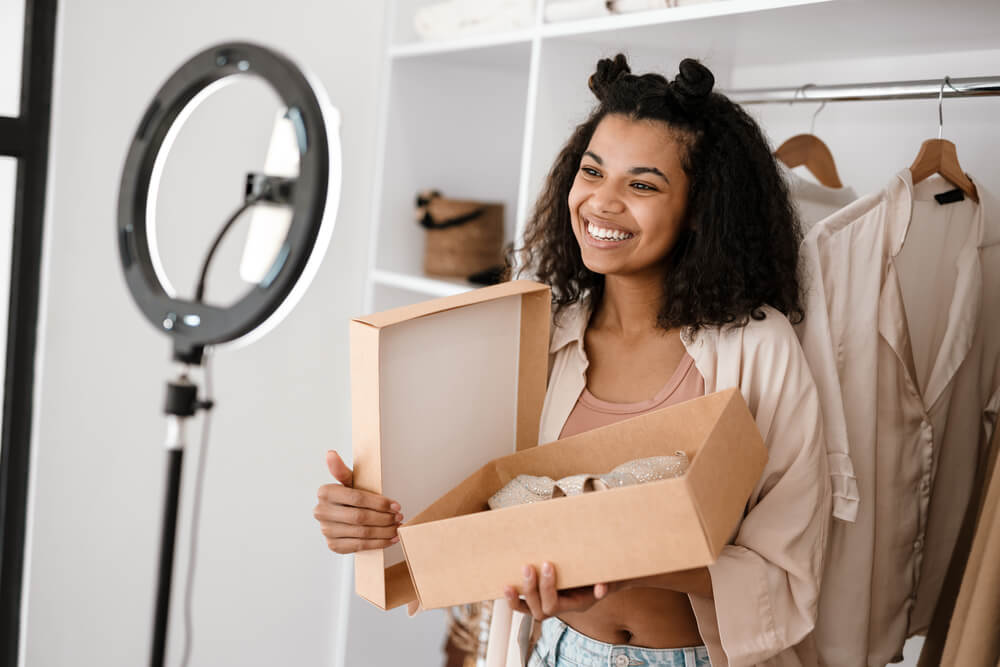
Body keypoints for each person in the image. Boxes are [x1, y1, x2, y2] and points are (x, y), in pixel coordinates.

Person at [314, 55, 833, 667]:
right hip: (557, 652)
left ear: (701, 209)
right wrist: (367, 519)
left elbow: (792, 567)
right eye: (593, 172)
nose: (602, 202)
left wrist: (615, 556)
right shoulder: (537, 340)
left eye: (642, 184)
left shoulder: (759, 346)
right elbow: (472, 508)